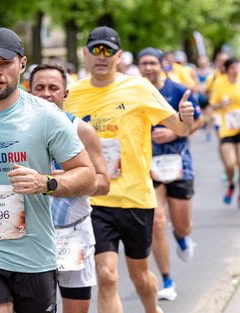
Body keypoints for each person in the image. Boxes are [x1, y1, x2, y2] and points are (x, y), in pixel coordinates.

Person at [0, 27, 97, 313]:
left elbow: (87, 175)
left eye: (5, 63)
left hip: (34, 253)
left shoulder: (47, 116)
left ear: (22, 65)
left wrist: (45, 183)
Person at [64, 26, 194, 313]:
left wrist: (186, 120)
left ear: (119, 56)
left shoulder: (139, 88)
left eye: (108, 51)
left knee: (140, 277)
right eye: (95, 50)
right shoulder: (71, 94)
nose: (101, 56)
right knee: (107, 276)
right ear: (85, 54)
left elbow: (180, 128)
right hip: (96, 199)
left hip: (135, 198)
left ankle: (152, 308)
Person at [29, 63, 110, 313]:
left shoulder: (81, 130)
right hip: (30, 235)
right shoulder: (15, 131)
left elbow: (104, 184)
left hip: (72, 232)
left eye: (53, 88)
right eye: (39, 88)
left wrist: (69, 179)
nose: (46, 93)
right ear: (29, 91)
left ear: (65, 93)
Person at [138, 47, 204, 301]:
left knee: (182, 224)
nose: (148, 67)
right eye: (144, 63)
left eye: (153, 63)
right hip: (148, 163)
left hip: (178, 162)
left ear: (162, 64)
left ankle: (183, 238)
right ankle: (167, 278)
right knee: (156, 222)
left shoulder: (177, 90)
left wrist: (174, 132)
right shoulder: (136, 91)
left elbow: (197, 121)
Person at [209, 57, 240, 207]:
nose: (236, 70)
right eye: (233, 67)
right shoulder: (220, 82)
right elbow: (212, 106)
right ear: (227, 69)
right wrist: (221, 104)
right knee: (230, 164)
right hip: (227, 129)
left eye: (237, 67)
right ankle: (231, 184)